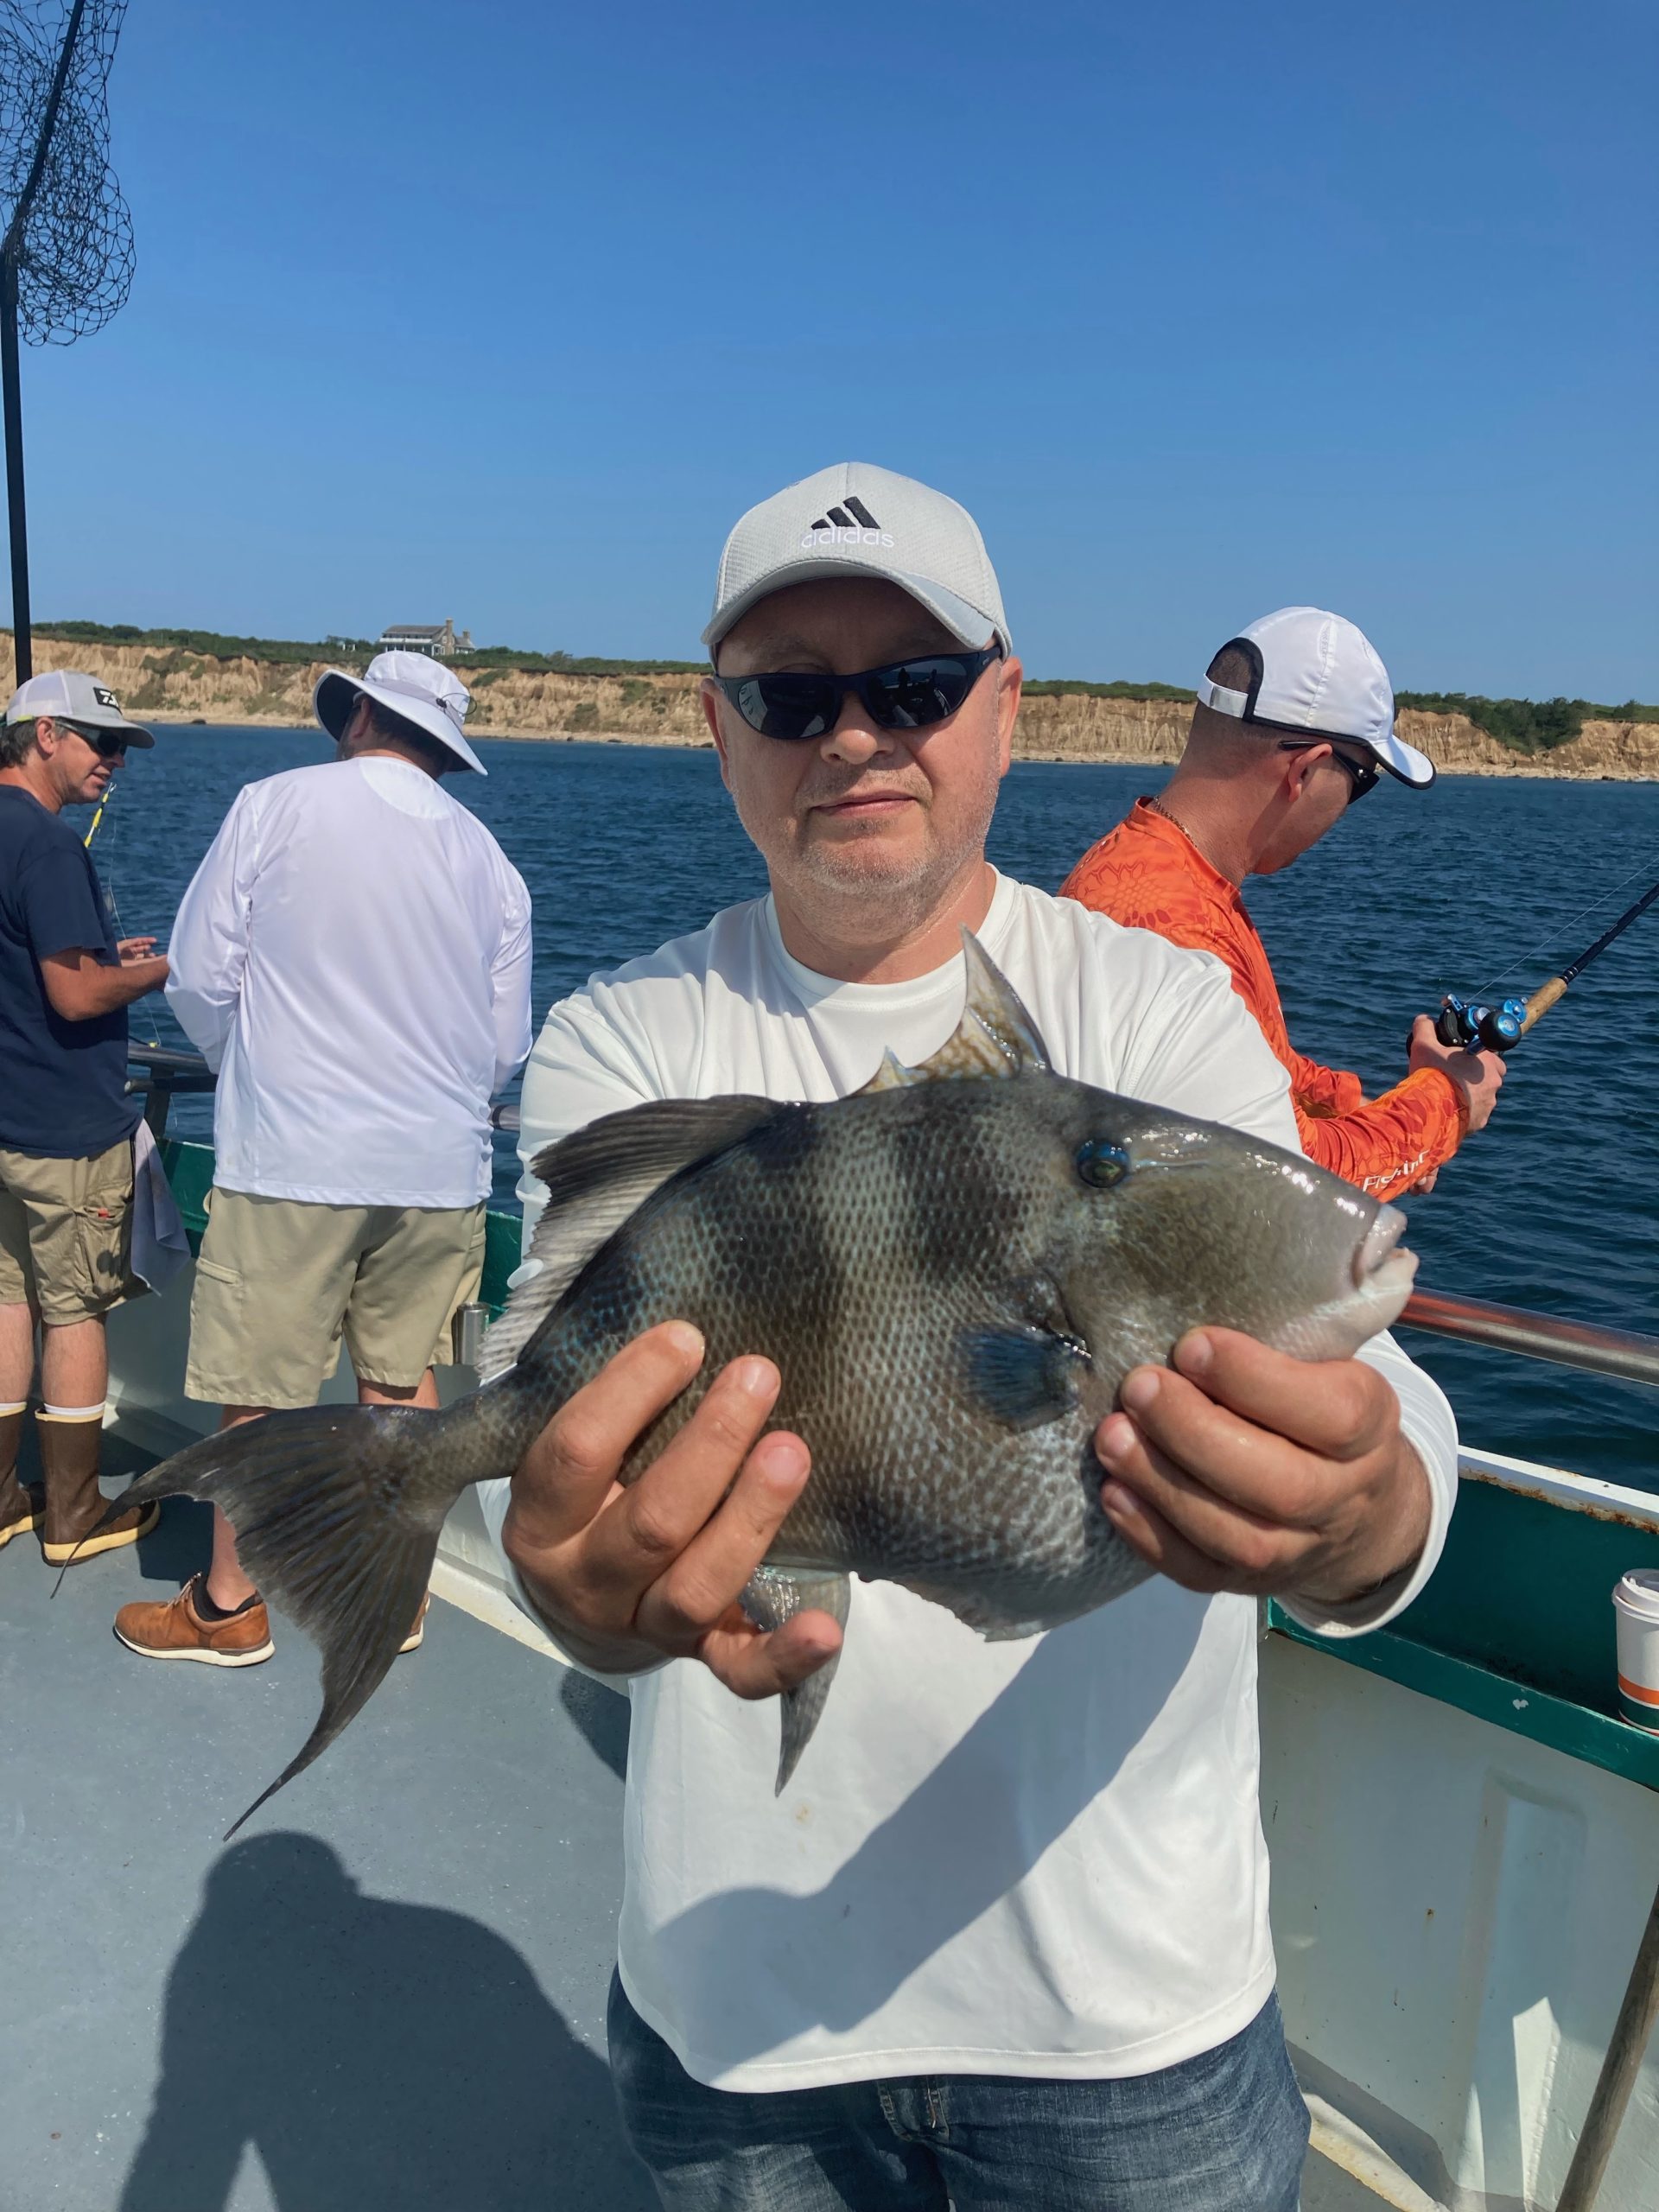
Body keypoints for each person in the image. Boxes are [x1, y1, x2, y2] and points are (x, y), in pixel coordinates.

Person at [487, 465, 1460, 2211]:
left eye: (918, 686)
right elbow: (555, 1445)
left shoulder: (1157, 1011)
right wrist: (566, 1575)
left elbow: (1366, 1392)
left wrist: (1372, 1507)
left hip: (1128, 2020)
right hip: (744, 2024)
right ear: (723, 733)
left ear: (1006, 713)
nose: (856, 736)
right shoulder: (620, 1039)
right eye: (793, 694)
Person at [113, 652, 532, 1666]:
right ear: (445, 748)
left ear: (358, 719)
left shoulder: (273, 805)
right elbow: (504, 1046)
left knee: (262, 1384)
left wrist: (249, 1067)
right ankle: (397, 1602)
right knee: (403, 1383)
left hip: (294, 1155)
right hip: (439, 1170)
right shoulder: (492, 863)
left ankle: (228, 1605)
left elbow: (202, 976)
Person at [1061, 608, 1506, 1203]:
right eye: (1363, 778)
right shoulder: (1175, 932)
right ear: (1304, 769)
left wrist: (1375, 1107)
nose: (1353, 801)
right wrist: (1448, 1104)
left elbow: (1258, 1071)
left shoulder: (1158, 875)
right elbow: (1291, 1176)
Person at [0, 671, 168, 1565]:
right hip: (62, 1129)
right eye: (99, 742)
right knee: (74, 1314)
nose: (114, 761)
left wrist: (109, 953)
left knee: (2, 1303)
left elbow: (32, 963)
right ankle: (71, 1514)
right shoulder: (51, 847)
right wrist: (155, 969)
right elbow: (72, 996)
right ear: (43, 737)